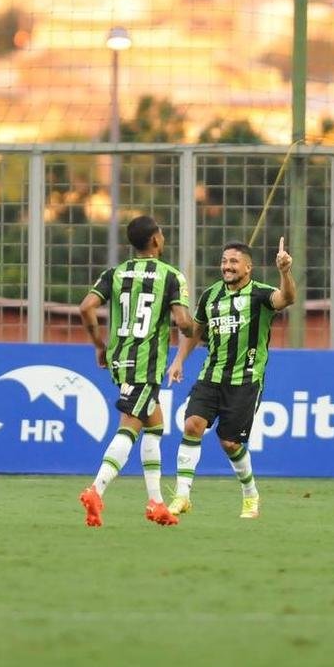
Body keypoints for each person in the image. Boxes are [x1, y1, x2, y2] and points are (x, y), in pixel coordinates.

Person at [165, 236, 296, 520]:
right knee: (192, 425)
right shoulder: (210, 296)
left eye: (234, 262)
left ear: (248, 267)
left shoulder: (261, 294)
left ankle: (250, 495)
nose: (227, 266)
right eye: (224, 261)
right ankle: (182, 496)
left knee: (230, 443)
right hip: (210, 376)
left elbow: (287, 299)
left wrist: (285, 272)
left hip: (246, 380)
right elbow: (195, 332)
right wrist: (177, 360)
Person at [78, 215, 195, 528]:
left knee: (154, 426)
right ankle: (96, 489)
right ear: (156, 240)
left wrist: (99, 345)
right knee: (129, 427)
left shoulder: (115, 274)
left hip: (120, 359)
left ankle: (156, 502)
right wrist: (193, 326)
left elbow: (86, 306)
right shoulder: (171, 276)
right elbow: (183, 322)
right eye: (162, 233)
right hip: (145, 364)